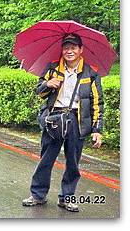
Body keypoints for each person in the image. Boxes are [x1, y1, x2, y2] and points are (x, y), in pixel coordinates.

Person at [22, 33, 104, 212]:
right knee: (46, 159)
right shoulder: (52, 68)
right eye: (66, 47)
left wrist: (97, 129)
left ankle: (67, 197)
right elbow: (39, 91)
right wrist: (48, 84)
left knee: (73, 162)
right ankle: (38, 194)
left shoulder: (91, 73)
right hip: (54, 118)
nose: (69, 51)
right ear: (62, 50)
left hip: (77, 120)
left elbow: (97, 103)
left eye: (73, 47)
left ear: (81, 50)